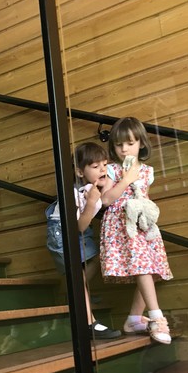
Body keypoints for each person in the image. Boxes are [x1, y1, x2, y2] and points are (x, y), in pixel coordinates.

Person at [100, 117, 173, 344]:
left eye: (130, 143)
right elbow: (106, 200)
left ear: (141, 143)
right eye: (119, 144)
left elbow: (143, 197)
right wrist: (126, 179)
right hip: (122, 226)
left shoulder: (148, 171)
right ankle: (157, 318)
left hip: (142, 226)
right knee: (143, 267)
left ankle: (133, 319)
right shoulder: (112, 169)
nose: (124, 149)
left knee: (150, 269)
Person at [46, 142, 121, 340]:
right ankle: (89, 323)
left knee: (96, 260)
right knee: (77, 273)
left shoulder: (92, 187)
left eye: (104, 164)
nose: (102, 169)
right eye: (95, 166)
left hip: (80, 230)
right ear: (80, 172)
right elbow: (78, 226)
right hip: (62, 231)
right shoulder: (75, 194)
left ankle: (77, 294)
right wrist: (91, 203)